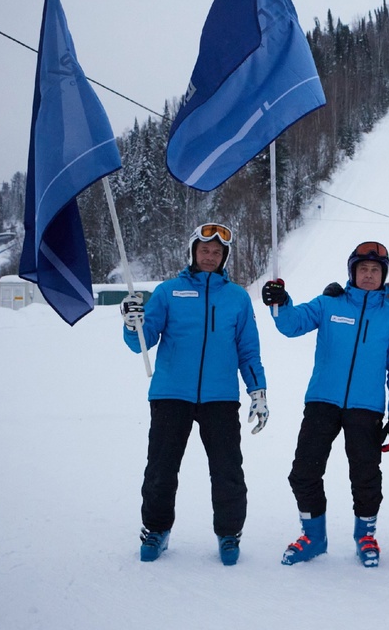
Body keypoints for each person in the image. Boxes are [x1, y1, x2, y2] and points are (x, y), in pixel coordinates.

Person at [121, 222, 268, 566]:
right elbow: (141, 342)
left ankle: (229, 534)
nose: (210, 256)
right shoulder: (168, 291)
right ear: (192, 252)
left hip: (220, 397)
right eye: (205, 250)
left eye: (217, 252)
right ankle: (156, 530)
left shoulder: (237, 298)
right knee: (161, 468)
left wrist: (257, 391)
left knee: (227, 470)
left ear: (224, 257)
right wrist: (133, 324)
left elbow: (248, 351)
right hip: (172, 394)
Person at [261, 241, 389, 568]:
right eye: (363, 269)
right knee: (303, 472)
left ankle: (365, 535)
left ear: (383, 275)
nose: (369, 275)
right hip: (322, 402)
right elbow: (291, 324)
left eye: (375, 270)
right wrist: (280, 302)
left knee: (366, 476)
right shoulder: (329, 304)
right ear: (352, 273)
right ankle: (314, 537)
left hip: (367, 408)